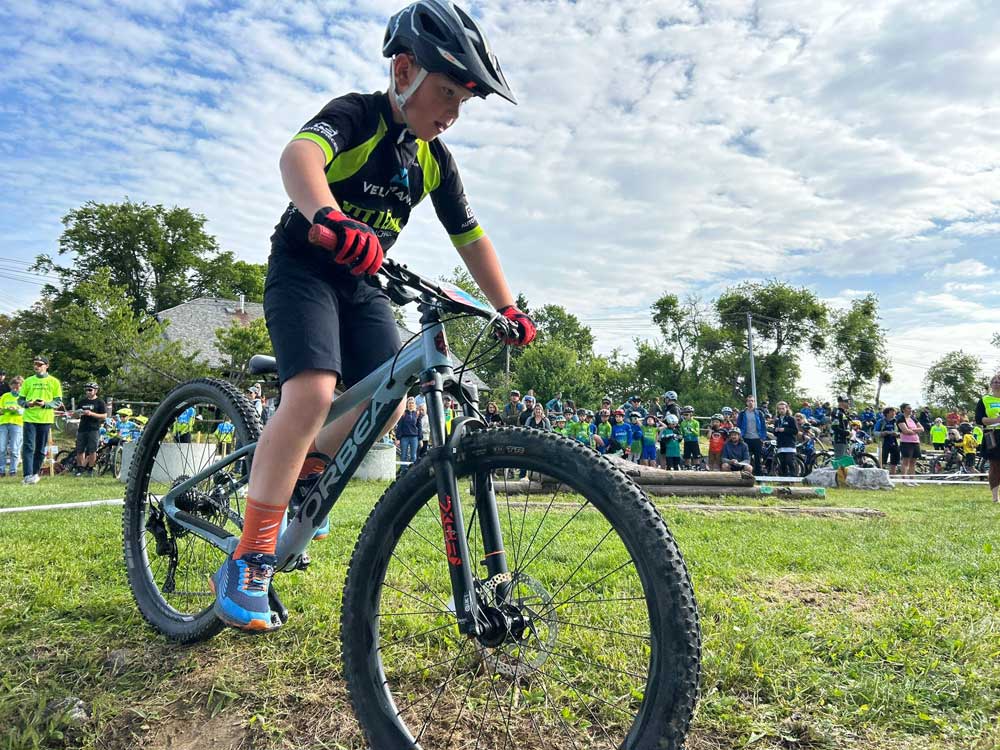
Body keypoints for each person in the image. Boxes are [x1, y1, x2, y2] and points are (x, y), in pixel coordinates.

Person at [210, 0, 534, 632]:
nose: (451, 113)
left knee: (391, 393)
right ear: (404, 70)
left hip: (363, 284)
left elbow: (470, 236)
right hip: (304, 269)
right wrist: (328, 216)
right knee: (313, 392)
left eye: (462, 102)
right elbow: (298, 158)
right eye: (446, 93)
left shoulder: (434, 158)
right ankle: (249, 558)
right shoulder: (357, 115)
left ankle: (309, 472)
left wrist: (506, 306)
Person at [19, 356, 63, 484]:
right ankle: (27, 475)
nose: (36, 366)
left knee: (40, 448)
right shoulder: (28, 381)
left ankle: (35, 473)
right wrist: (28, 404)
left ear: (46, 366)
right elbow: (20, 400)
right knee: (28, 446)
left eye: (39, 364)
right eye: (35, 364)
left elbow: (57, 401)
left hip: (45, 419)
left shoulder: (54, 381)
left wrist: (45, 404)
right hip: (29, 418)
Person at [974, 372, 1000, 503]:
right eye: (995, 382)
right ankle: (995, 497)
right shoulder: (985, 400)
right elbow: (979, 419)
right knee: (994, 465)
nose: (997, 384)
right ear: (991, 385)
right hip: (992, 434)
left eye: (999, 382)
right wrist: (996, 420)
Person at [73, 382, 107, 477]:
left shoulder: (100, 402)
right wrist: (76, 414)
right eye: (86, 390)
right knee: (80, 449)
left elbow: (104, 416)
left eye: (90, 390)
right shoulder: (82, 402)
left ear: (95, 391)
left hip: (94, 428)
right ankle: (80, 468)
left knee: (92, 450)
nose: (88, 392)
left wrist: (91, 414)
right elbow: (75, 415)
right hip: (82, 428)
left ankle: (90, 469)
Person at [0, 375, 24, 477]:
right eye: (13, 387)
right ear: (10, 386)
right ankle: (1, 470)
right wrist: (5, 409)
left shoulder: (24, 397)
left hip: (17, 424)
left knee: (14, 448)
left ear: (21, 387)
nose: (15, 389)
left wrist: (17, 410)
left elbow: (26, 410)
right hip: (3, 424)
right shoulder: (5, 396)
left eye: (17, 387)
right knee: (1, 448)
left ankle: (13, 470)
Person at [736, 395, 766, 475]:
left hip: (757, 439)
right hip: (745, 438)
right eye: (749, 401)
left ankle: (759, 476)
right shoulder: (742, 413)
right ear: (746, 402)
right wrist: (740, 437)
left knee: (758, 459)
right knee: (746, 458)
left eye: (752, 401)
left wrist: (762, 438)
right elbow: (738, 426)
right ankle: (745, 475)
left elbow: (763, 426)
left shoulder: (759, 413)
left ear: (754, 402)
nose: (750, 402)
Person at [896, 403, 924, 484]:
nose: (910, 410)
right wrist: (915, 430)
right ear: (903, 409)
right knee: (906, 462)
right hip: (906, 442)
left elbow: (922, 429)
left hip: (915, 442)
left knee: (913, 462)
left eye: (911, 408)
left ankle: (912, 480)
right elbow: (905, 431)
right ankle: (904, 480)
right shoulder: (901, 419)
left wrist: (912, 430)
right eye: (908, 408)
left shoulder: (913, 419)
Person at [772, 401, 798, 476]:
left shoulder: (791, 419)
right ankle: (784, 479)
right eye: (779, 409)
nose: (781, 410)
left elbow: (795, 431)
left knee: (789, 461)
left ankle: (793, 477)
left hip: (790, 444)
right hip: (780, 444)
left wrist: (785, 429)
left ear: (787, 409)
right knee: (782, 463)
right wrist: (775, 430)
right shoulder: (777, 420)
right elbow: (775, 433)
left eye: (783, 408)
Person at [395, 396, 422, 468]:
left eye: (412, 403)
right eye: (409, 403)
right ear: (407, 404)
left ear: (414, 404)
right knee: (403, 455)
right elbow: (399, 426)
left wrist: (420, 439)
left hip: (414, 437)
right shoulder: (403, 414)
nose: (411, 404)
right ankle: (403, 470)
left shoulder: (417, 414)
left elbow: (419, 427)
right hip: (404, 437)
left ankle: (413, 470)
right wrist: (398, 438)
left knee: (413, 456)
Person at [878, 406, 900, 475]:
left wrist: (897, 434)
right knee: (883, 460)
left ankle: (893, 476)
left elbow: (901, 431)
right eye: (892, 412)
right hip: (884, 443)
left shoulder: (896, 421)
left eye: (894, 412)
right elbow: (875, 432)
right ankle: (882, 475)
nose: (894, 413)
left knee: (894, 460)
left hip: (895, 442)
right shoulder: (881, 421)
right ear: (887, 413)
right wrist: (883, 433)